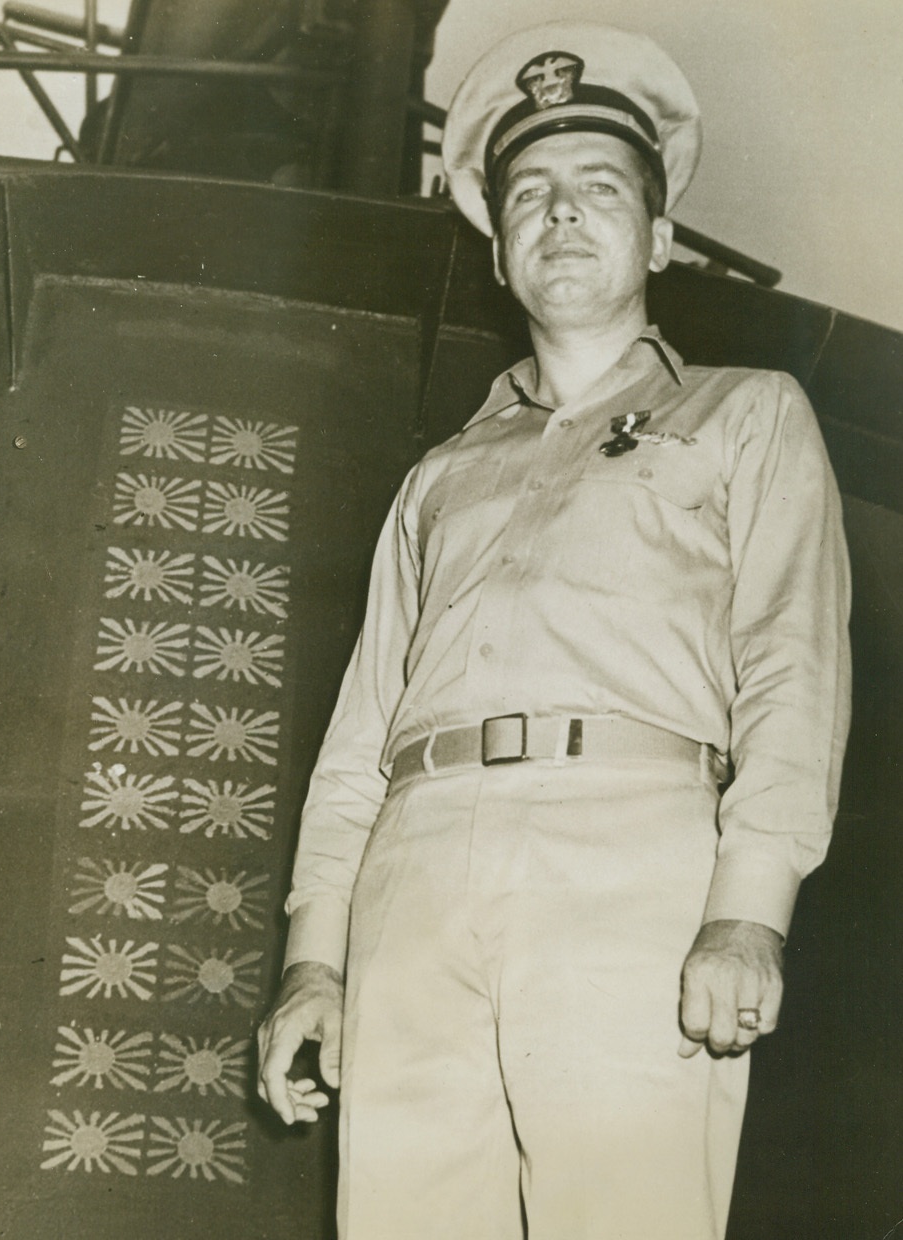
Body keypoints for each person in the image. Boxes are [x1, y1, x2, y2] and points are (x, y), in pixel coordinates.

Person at [257, 20, 851, 1240]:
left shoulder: (747, 416)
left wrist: (748, 909)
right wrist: (317, 955)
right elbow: (361, 730)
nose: (562, 216)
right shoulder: (439, 476)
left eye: (597, 190)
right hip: (414, 881)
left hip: (631, 866)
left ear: (662, 235)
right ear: (498, 251)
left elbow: (794, 666)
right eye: (530, 194)